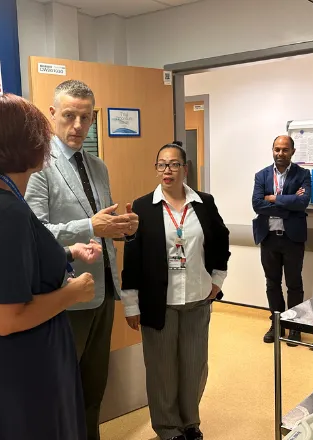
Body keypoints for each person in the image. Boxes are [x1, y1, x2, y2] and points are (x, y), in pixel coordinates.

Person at [0, 93, 102, 440]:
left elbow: (9, 267)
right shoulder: (8, 213)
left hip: (3, 366)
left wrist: (66, 253)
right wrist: (72, 292)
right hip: (23, 372)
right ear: (32, 147)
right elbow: (5, 318)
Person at [26, 79, 139, 440]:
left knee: (94, 390)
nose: (77, 126)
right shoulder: (38, 166)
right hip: (65, 295)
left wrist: (124, 228)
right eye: (70, 115)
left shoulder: (98, 166)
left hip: (103, 293)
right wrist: (91, 224)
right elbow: (36, 233)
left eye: (86, 118)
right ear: (53, 114)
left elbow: (102, 227)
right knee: (61, 393)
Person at [121, 142, 230, 440]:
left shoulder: (204, 203)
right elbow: (132, 258)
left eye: (173, 164)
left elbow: (221, 241)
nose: (167, 170)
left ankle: (190, 422)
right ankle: (168, 428)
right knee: (161, 369)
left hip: (197, 297)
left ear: (185, 168)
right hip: (159, 302)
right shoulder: (143, 206)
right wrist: (131, 304)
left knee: (194, 366)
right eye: (161, 164)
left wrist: (217, 279)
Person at [252, 135, 312, 345]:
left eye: (285, 150)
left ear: (292, 152)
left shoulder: (302, 175)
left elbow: (302, 202)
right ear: (272, 150)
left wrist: (275, 198)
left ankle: (295, 326)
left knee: (294, 284)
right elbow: (257, 205)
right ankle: (277, 323)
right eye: (277, 149)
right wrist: (288, 206)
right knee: (272, 283)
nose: (280, 153)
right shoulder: (262, 175)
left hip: (292, 239)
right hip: (268, 237)